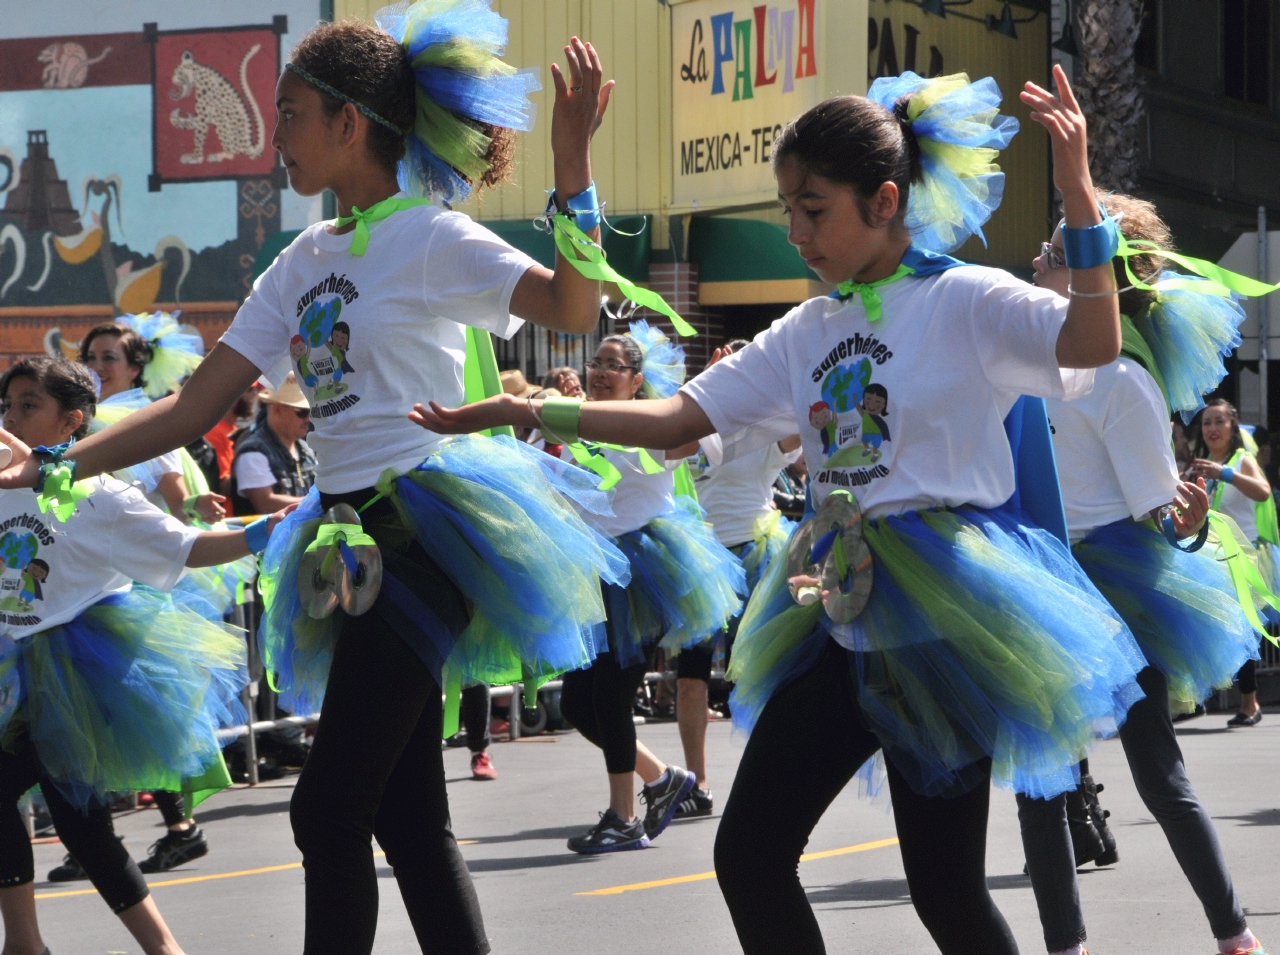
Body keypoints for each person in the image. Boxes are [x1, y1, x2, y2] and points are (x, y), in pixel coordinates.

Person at [411, 66, 1150, 955]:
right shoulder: (805, 330)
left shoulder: (967, 300)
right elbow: (678, 421)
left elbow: (1091, 341)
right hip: (840, 609)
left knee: (946, 893)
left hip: (946, 624)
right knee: (750, 854)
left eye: (813, 209)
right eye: (786, 211)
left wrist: (1078, 197)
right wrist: (528, 408)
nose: (796, 233)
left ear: (885, 199)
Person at [0, 9, 644, 953]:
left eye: (292, 113)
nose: (278, 137)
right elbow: (188, 410)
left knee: (327, 810)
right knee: (410, 820)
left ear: (350, 123)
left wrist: (573, 170)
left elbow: (573, 309)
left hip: (426, 534)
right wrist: (58, 461)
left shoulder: (429, 239)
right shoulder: (297, 262)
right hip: (343, 541)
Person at [1019, 191, 1268, 955]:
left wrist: (1184, 521)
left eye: (1053, 255)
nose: (1035, 261)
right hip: (1041, 578)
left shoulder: (1121, 379)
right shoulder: (1031, 356)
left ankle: (1234, 934)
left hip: (1116, 586)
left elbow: (1158, 512)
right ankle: (1068, 946)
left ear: (1093, 274)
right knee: (1043, 784)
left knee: (1159, 774)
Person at [0, 357, 279, 955]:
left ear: (72, 421)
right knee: (81, 825)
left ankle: (31, 945)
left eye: (29, 405)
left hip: (78, 670)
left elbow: (183, 548)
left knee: (77, 821)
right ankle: (131, 948)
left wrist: (261, 532)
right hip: (11, 663)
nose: (13, 416)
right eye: (9, 405)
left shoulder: (103, 496)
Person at [551, 324, 745, 852]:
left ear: (637, 380)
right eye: (597, 362)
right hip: (592, 572)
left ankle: (623, 817)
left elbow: (701, 429)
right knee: (576, 704)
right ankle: (663, 779)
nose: (601, 371)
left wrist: (715, 380)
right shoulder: (579, 426)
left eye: (615, 365)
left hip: (642, 572)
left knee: (612, 694)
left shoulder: (657, 431)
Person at [674, 338, 801, 818]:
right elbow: (667, 427)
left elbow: (803, 419)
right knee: (691, 678)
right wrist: (706, 379)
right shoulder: (693, 428)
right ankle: (697, 783)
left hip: (754, 556)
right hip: (701, 561)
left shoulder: (771, 429)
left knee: (756, 675)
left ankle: (767, 782)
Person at [79, 319, 224, 524]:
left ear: (134, 369)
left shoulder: (151, 424)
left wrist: (194, 505)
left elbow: (179, 505)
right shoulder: (75, 419)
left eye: (108, 358)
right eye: (90, 358)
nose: (96, 367)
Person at [1189, 397, 1278, 727]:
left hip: (1245, 558)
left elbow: (1263, 491)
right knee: (1212, 629)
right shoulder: (1199, 467)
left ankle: (1249, 703)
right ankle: (1197, 699)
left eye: (1219, 421)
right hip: (1212, 558)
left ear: (1233, 427)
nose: (1212, 428)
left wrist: (1224, 473)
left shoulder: (1242, 460)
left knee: (1242, 629)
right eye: (1207, 422)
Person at [230, 372, 317, 515]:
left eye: (311, 412)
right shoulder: (253, 452)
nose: (309, 419)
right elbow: (266, 504)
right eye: (302, 412)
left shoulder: (306, 449)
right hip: (271, 537)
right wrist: (321, 501)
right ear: (277, 409)